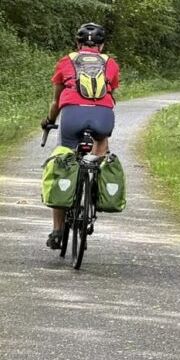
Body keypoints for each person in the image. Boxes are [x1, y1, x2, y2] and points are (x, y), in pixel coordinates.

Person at [42, 22, 120, 249]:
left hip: (72, 115)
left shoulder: (66, 61)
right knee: (101, 146)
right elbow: (111, 93)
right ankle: (93, 187)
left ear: (77, 44)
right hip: (103, 115)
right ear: (101, 46)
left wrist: (49, 121)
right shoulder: (110, 63)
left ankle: (57, 231)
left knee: (64, 163)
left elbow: (56, 102)